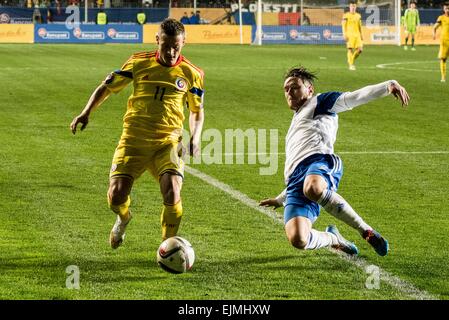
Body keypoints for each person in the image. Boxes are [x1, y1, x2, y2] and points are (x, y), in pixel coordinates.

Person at [70, 18, 205, 249]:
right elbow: (107, 87)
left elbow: (196, 110)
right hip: (133, 140)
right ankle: (123, 218)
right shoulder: (139, 62)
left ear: (183, 43)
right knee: (116, 196)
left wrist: (195, 137)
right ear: (157, 41)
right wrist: (86, 113)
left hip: (168, 142)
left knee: (172, 190)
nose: (171, 52)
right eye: (166, 46)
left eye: (177, 46)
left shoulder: (192, 73)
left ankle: (167, 246)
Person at [259, 66, 410, 256]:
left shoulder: (320, 102)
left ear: (310, 89)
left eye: (295, 87)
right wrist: (281, 199)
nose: (289, 92)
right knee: (298, 239)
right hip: (296, 181)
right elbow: (297, 168)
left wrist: (388, 85)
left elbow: (353, 97)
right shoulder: (295, 123)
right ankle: (334, 239)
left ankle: (366, 231)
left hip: (320, 162)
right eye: (286, 89)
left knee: (312, 188)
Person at [342, 1, 363, 71]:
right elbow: (343, 26)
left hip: (357, 35)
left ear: (356, 7)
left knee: (360, 50)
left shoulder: (358, 16)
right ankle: (351, 65)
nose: (353, 7)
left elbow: (360, 26)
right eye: (351, 6)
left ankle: (351, 61)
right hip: (349, 35)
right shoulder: (346, 15)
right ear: (349, 7)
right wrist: (344, 34)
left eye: (354, 6)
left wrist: (361, 34)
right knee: (350, 49)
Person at [433, 3, 449, 82]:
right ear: (444, 9)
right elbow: (435, 27)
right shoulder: (441, 18)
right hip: (444, 42)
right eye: (446, 8)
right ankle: (443, 77)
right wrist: (434, 34)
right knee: (443, 59)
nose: (447, 10)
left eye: (448, 8)